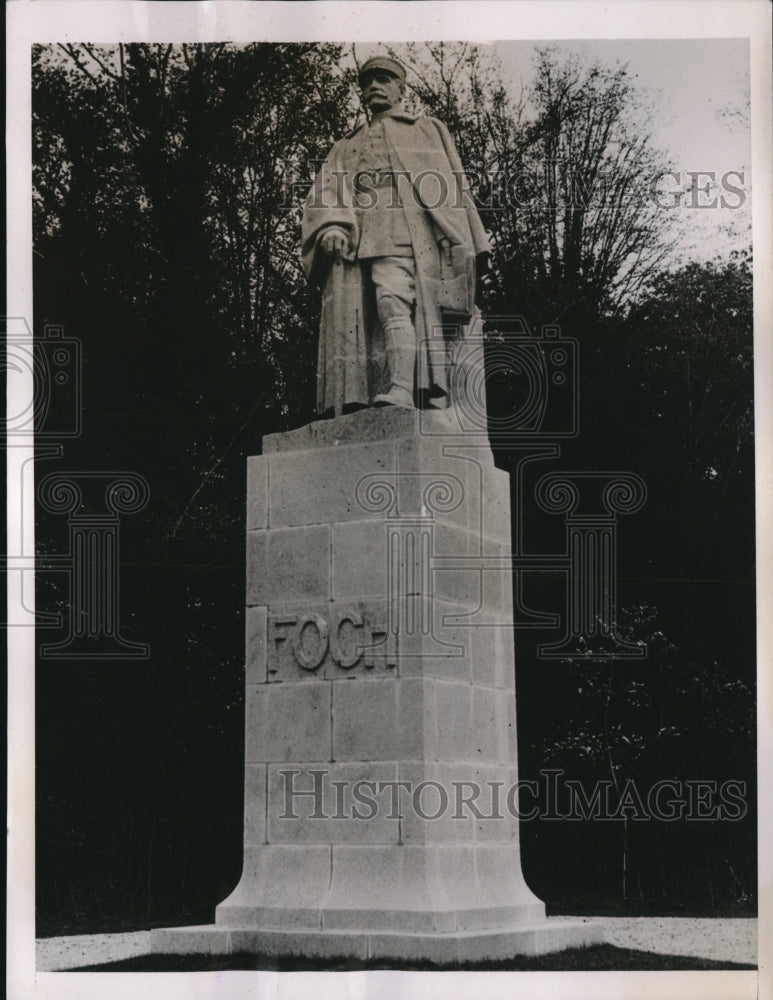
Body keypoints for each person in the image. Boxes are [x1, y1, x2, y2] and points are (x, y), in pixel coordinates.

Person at [301, 55, 490, 415]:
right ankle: (365, 394)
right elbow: (326, 189)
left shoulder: (425, 130)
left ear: (401, 87)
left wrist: (470, 243)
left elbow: (453, 189)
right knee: (361, 321)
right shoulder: (345, 145)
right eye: (368, 81)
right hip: (357, 240)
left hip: (404, 231)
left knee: (392, 305)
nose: (374, 86)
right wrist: (331, 225)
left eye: (384, 79)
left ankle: (402, 387)